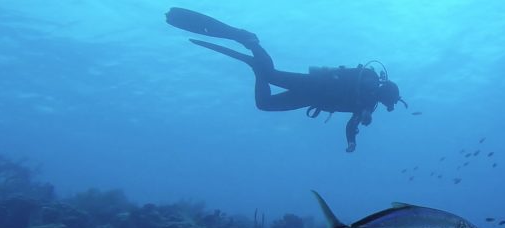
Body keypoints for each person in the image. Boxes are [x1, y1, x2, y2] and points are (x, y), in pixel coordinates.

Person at [165, 7, 404, 153]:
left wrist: (352, 142)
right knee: (271, 75)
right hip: (312, 86)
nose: (385, 105)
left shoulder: (366, 104)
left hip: (308, 98)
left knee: (264, 103)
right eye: (388, 101)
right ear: (385, 93)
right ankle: (249, 41)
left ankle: (255, 64)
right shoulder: (369, 87)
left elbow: (351, 125)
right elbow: (354, 107)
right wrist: (362, 115)